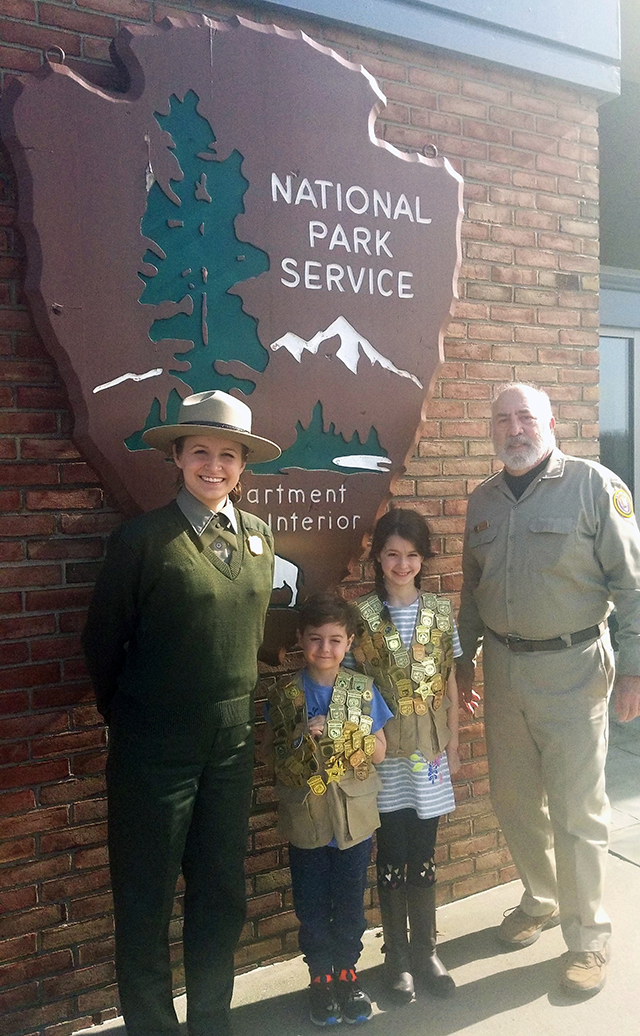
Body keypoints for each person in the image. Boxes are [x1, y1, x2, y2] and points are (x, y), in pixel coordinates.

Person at [82, 390, 281, 1036]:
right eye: (201, 452)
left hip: (230, 744)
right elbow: (102, 644)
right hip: (153, 747)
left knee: (220, 894)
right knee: (145, 898)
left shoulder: (258, 538)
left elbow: (249, 633)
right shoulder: (142, 541)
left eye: (229, 455)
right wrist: (135, 717)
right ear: (177, 457)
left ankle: (211, 1023)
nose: (215, 466)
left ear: (243, 465)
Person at [456, 381, 640, 997]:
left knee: (577, 809)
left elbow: (633, 587)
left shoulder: (595, 486)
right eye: (502, 419)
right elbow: (471, 593)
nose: (514, 428)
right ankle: (540, 898)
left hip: (574, 668)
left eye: (525, 417)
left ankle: (589, 936)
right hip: (503, 671)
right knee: (513, 799)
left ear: (550, 421)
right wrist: (463, 662)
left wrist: (635, 669)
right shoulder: (481, 500)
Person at [263, 592, 393, 1027]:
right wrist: (303, 733)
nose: (325, 649)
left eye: (335, 640)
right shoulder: (285, 695)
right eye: (315, 639)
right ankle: (320, 979)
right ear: (300, 639)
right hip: (309, 822)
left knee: (351, 905)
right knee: (313, 907)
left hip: (354, 823)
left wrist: (351, 733)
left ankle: (347, 974)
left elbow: (380, 752)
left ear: (350, 642)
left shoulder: (361, 690)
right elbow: (273, 759)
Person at [349, 508, 461, 1002]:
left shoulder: (439, 610)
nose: (402, 564)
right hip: (386, 755)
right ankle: (396, 956)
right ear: (377, 557)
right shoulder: (362, 616)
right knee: (391, 853)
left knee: (424, 853)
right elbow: (349, 689)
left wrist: (455, 744)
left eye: (412, 555)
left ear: (423, 559)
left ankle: (427, 950)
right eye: (392, 554)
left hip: (431, 757)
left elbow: (452, 683)